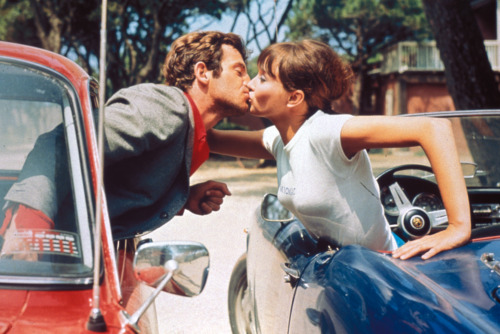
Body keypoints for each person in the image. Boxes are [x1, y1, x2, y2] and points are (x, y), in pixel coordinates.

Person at [207, 39, 471, 260]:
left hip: (387, 271)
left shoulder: (326, 131)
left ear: (294, 97)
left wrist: (458, 227)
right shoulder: (278, 138)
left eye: (262, 78)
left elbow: (434, 129)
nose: (250, 84)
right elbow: (209, 139)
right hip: (342, 273)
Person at [1, 31, 251, 246]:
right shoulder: (168, 108)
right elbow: (61, 143)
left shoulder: (193, 130)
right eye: (239, 72)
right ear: (202, 73)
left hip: (80, 251)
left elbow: (121, 184)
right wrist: (29, 229)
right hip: (43, 243)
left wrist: (183, 198)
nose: (249, 83)